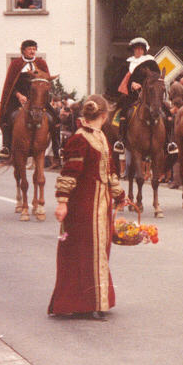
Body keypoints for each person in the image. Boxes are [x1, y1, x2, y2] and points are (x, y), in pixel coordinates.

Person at [49, 95, 125, 319]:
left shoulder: (101, 136)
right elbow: (70, 173)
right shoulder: (79, 139)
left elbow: (110, 171)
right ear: (103, 116)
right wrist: (63, 202)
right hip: (84, 204)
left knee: (100, 250)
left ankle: (96, 301)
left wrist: (119, 194)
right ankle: (79, 302)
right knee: (82, 252)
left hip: (101, 204)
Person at [0, 39, 59, 160]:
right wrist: (19, 96)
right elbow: (10, 85)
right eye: (30, 49)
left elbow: (46, 82)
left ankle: (58, 149)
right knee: (6, 117)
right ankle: (6, 147)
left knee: (55, 119)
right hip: (18, 99)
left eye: (34, 49)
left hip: (37, 99)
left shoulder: (41, 63)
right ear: (23, 51)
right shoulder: (15, 64)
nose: (32, 51)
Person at [114, 37, 170, 154]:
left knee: (167, 112)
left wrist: (147, 85)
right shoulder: (128, 63)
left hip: (151, 94)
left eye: (141, 49)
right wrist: (132, 84)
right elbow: (122, 78)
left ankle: (169, 142)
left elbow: (157, 77)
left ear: (144, 50)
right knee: (124, 111)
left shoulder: (151, 62)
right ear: (133, 50)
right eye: (136, 49)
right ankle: (121, 141)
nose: (139, 51)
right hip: (134, 95)